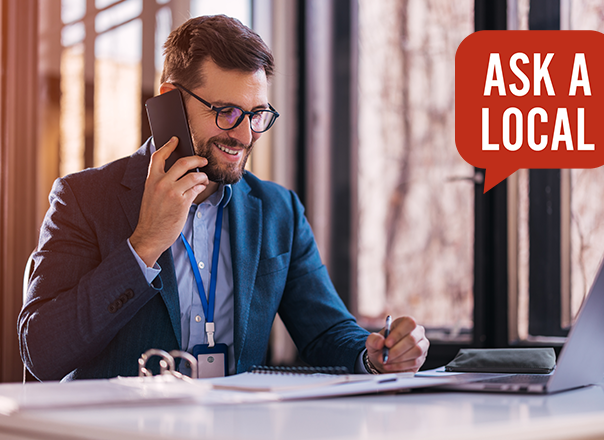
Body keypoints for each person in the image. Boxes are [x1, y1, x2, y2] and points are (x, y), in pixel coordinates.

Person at [18, 15, 429, 381]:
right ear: (170, 100)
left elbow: (326, 331)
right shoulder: (84, 198)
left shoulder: (277, 211)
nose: (245, 135)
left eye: (256, 115)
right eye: (227, 112)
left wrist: (376, 356)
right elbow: (42, 353)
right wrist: (144, 245)